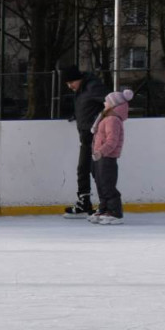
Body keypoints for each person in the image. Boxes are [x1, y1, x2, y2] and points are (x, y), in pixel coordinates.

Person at [61, 64, 109, 218]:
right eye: (67, 84)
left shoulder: (93, 86)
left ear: (78, 78)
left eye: (71, 83)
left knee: (98, 172)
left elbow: (111, 103)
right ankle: (84, 202)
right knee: (82, 169)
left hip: (97, 138)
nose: (70, 87)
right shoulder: (81, 89)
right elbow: (86, 105)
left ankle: (105, 205)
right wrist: (77, 116)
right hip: (86, 137)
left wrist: (99, 122)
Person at [87, 88, 133, 225]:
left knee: (107, 185)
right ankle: (104, 208)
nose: (104, 104)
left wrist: (101, 152)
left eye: (107, 103)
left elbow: (112, 141)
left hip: (106, 157)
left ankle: (115, 212)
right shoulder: (106, 118)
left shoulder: (112, 120)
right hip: (99, 156)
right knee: (101, 183)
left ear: (114, 105)